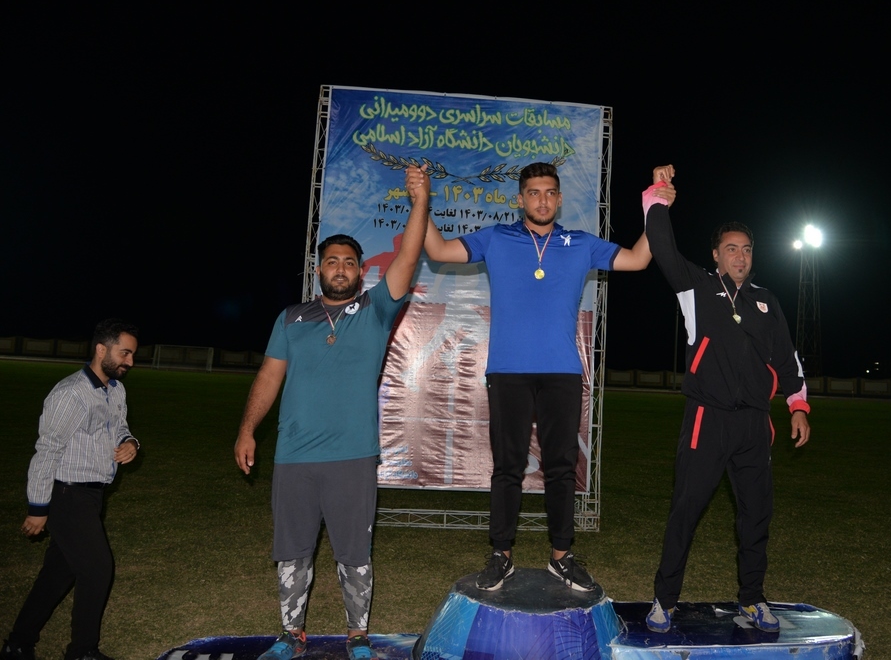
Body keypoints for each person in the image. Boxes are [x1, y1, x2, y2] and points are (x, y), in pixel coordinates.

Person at [421, 161, 669, 592]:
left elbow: (639, 258)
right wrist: (421, 200)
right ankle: (501, 556)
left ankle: (561, 557)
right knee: (508, 467)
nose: (542, 200)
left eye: (550, 192)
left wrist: (657, 204)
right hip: (508, 371)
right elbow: (439, 251)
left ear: (559, 198)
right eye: (534, 193)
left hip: (562, 372)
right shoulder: (496, 238)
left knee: (560, 468)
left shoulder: (580, 243)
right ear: (520, 199)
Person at [234, 165, 428, 660]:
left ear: (361, 271)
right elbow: (268, 378)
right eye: (331, 261)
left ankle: (358, 635)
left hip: (352, 456)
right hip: (294, 456)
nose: (340, 268)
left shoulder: (376, 310)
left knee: (354, 554)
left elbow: (408, 257)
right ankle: (290, 634)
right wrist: (247, 430)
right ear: (318, 269)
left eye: (349, 262)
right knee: (292, 551)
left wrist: (419, 201)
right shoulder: (291, 318)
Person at [642, 165, 810, 634]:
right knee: (686, 511)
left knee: (756, 517)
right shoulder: (696, 288)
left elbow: (787, 358)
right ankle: (664, 601)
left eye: (747, 249)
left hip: (754, 425)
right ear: (716, 255)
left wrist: (798, 406)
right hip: (706, 420)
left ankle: (752, 600)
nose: (740, 256)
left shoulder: (766, 302)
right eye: (731, 249)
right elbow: (662, 248)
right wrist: (657, 198)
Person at [0, 319, 141, 660]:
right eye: (125, 353)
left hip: (92, 496)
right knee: (97, 569)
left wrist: (130, 442)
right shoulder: (70, 393)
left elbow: (120, 426)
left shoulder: (116, 390)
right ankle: (82, 651)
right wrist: (38, 507)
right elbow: (47, 450)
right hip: (67, 494)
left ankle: (17, 644)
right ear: (101, 349)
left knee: (57, 574)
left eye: (132, 355)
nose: (130, 362)